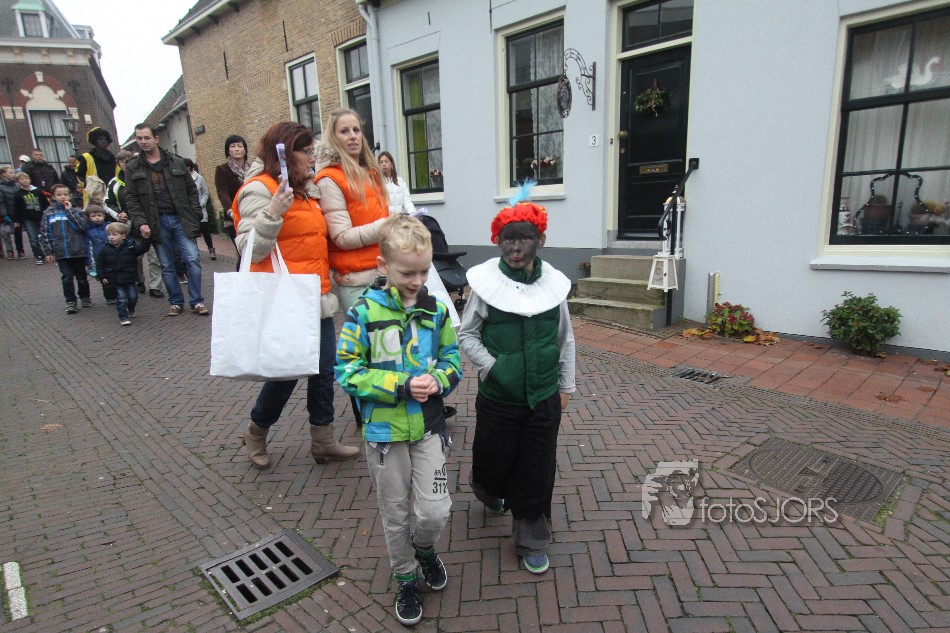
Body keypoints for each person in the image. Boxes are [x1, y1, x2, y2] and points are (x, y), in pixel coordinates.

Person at [335, 214, 461, 626]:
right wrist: (401, 384)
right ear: (382, 266)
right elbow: (347, 371)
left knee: (435, 510)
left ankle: (424, 548)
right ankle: (405, 576)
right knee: (395, 513)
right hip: (385, 434)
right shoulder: (362, 313)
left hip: (428, 428)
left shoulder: (436, 310)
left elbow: (452, 359)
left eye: (423, 271)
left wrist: (440, 380)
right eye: (407, 272)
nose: (417, 280)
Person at [457, 186, 576, 575]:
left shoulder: (553, 286)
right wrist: (494, 366)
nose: (516, 247)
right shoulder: (487, 286)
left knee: (537, 470)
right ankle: (487, 488)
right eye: (508, 238)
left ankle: (531, 538)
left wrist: (566, 386)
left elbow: (564, 338)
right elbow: (467, 335)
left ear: (540, 240)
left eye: (525, 238)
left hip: (543, 398)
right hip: (499, 398)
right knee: (492, 463)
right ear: (498, 241)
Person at [233, 121, 358, 468]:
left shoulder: (308, 190)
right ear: (286, 153)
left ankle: (323, 441)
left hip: (316, 295)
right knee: (285, 375)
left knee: (324, 372)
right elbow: (250, 249)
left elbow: (316, 242)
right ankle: (256, 431)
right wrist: (273, 212)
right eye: (306, 151)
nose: (313, 157)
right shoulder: (259, 189)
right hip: (284, 299)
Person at [124, 123, 209, 316]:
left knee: (192, 258)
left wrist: (195, 214)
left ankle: (196, 301)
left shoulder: (176, 162)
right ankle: (176, 302)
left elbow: (191, 191)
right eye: (139, 138)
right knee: (167, 264)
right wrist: (141, 222)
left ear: (156, 138)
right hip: (157, 222)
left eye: (147, 138)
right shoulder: (132, 168)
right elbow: (132, 199)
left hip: (181, 219)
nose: (143, 142)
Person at [314, 109, 390, 312]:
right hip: (357, 281)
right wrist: (387, 226)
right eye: (344, 131)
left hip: (383, 272)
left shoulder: (371, 173)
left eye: (356, 130)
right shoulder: (329, 180)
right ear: (333, 137)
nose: (353, 136)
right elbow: (342, 236)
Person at [108, 149, 157, 296]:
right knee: (134, 256)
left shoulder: (145, 177)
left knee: (154, 256)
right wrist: (118, 214)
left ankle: (155, 286)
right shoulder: (115, 183)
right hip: (128, 224)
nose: (125, 164)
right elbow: (108, 203)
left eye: (127, 160)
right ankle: (139, 280)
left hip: (149, 221)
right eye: (121, 161)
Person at [38, 184, 90, 313]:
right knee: (67, 277)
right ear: (53, 197)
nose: (63, 197)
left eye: (65, 194)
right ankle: (70, 301)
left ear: (70, 196)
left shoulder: (77, 211)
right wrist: (48, 251)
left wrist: (69, 211)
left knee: (81, 277)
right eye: (59, 195)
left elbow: (83, 227)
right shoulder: (49, 213)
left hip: (78, 250)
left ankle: (84, 296)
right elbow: (45, 233)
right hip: (62, 251)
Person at [95, 222, 151, 326]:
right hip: (114, 278)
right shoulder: (105, 249)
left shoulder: (130, 246)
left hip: (129, 277)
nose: (111, 237)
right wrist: (102, 276)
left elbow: (142, 248)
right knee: (121, 299)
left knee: (133, 297)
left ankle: (131, 307)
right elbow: (99, 264)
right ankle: (123, 317)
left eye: (114, 235)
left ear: (123, 236)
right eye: (109, 235)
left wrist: (146, 238)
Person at [214, 134, 248, 256]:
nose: (237, 149)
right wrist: (230, 211)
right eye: (233, 146)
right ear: (228, 150)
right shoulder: (222, 170)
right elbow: (222, 192)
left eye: (240, 146)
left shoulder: (252, 169)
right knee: (243, 253)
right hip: (235, 218)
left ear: (245, 149)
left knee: (253, 253)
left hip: (251, 214)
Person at [12, 172, 50, 264]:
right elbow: (16, 208)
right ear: (18, 182)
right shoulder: (18, 194)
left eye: (26, 178)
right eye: (22, 179)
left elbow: (45, 204)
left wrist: (48, 213)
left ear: (29, 180)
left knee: (45, 236)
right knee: (33, 238)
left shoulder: (38, 191)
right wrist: (16, 220)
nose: (24, 180)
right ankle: (39, 255)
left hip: (41, 216)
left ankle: (50, 253)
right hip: (28, 219)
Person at [84, 205, 116, 304]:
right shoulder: (88, 230)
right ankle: (110, 297)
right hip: (98, 258)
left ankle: (118, 293)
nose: (97, 218)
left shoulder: (109, 227)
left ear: (104, 216)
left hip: (112, 256)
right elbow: (88, 246)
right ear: (89, 217)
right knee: (104, 278)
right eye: (94, 216)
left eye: (99, 215)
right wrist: (89, 261)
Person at [185, 158, 215, 260]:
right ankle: (195, 252)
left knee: (205, 230)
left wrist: (201, 203)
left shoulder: (199, 178)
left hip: (200, 209)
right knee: (192, 232)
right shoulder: (182, 179)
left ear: (188, 167)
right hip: (189, 211)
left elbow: (205, 193)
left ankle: (211, 249)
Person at [78, 128, 119, 200]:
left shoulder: (113, 158)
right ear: (95, 141)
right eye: (100, 139)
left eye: (105, 139)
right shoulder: (86, 157)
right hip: (93, 195)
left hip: (111, 193)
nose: (103, 141)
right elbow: (79, 175)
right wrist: (88, 185)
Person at [0, 166, 23, 258]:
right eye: (10, 173)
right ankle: (9, 251)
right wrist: (4, 214)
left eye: (13, 172)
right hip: (7, 213)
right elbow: (1, 202)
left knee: (18, 232)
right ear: (3, 174)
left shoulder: (17, 185)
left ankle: (20, 250)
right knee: (5, 233)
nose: (13, 174)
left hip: (17, 213)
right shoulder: (1, 187)